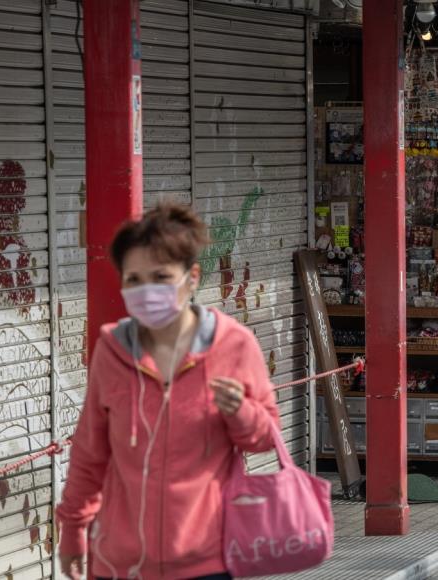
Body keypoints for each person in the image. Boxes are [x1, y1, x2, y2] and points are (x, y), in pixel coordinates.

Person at [56, 204, 279, 580]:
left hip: (208, 559)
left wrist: (241, 412)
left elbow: (266, 437)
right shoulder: (112, 350)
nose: (146, 291)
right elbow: (89, 450)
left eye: (160, 277)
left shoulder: (233, 345)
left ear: (191, 277)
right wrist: (73, 528)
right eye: (134, 279)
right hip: (118, 562)